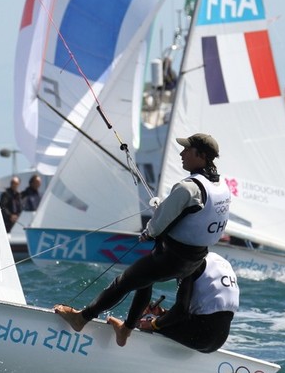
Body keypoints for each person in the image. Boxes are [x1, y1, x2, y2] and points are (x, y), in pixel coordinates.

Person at [54, 132, 231, 346]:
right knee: (144, 281)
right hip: (195, 261)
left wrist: (148, 232)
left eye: (187, 149)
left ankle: (81, 318)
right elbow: (195, 215)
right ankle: (126, 330)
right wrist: (165, 211)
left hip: (172, 258)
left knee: (124, 282)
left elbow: (156, 227)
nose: (182, 153)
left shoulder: (188, 187)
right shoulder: (221, 186)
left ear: (201, 155)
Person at [123, 252, 239, 353]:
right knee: (159, 320)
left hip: (200, 338)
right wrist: (163, 313)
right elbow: (207, 311)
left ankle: (123, 333)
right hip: (219, 339)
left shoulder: (190, 264)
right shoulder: (218, 261)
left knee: (147, 321)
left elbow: (180, 312)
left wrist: (153, 324)